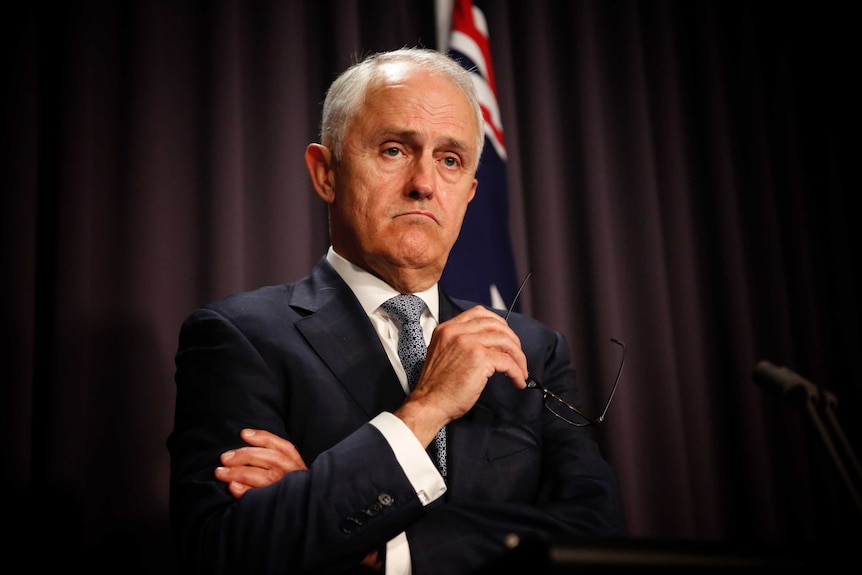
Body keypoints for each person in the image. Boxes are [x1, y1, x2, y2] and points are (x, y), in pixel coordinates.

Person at [167, 47, 626, 575]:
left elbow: (596, 540)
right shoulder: (239, 336)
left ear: (470, 194)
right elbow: (223, 546)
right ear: (325, 173)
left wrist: (370, 545)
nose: (424, 184)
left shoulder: (533, 350)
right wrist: (425, 408)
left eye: (449, 160)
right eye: (393, 150)